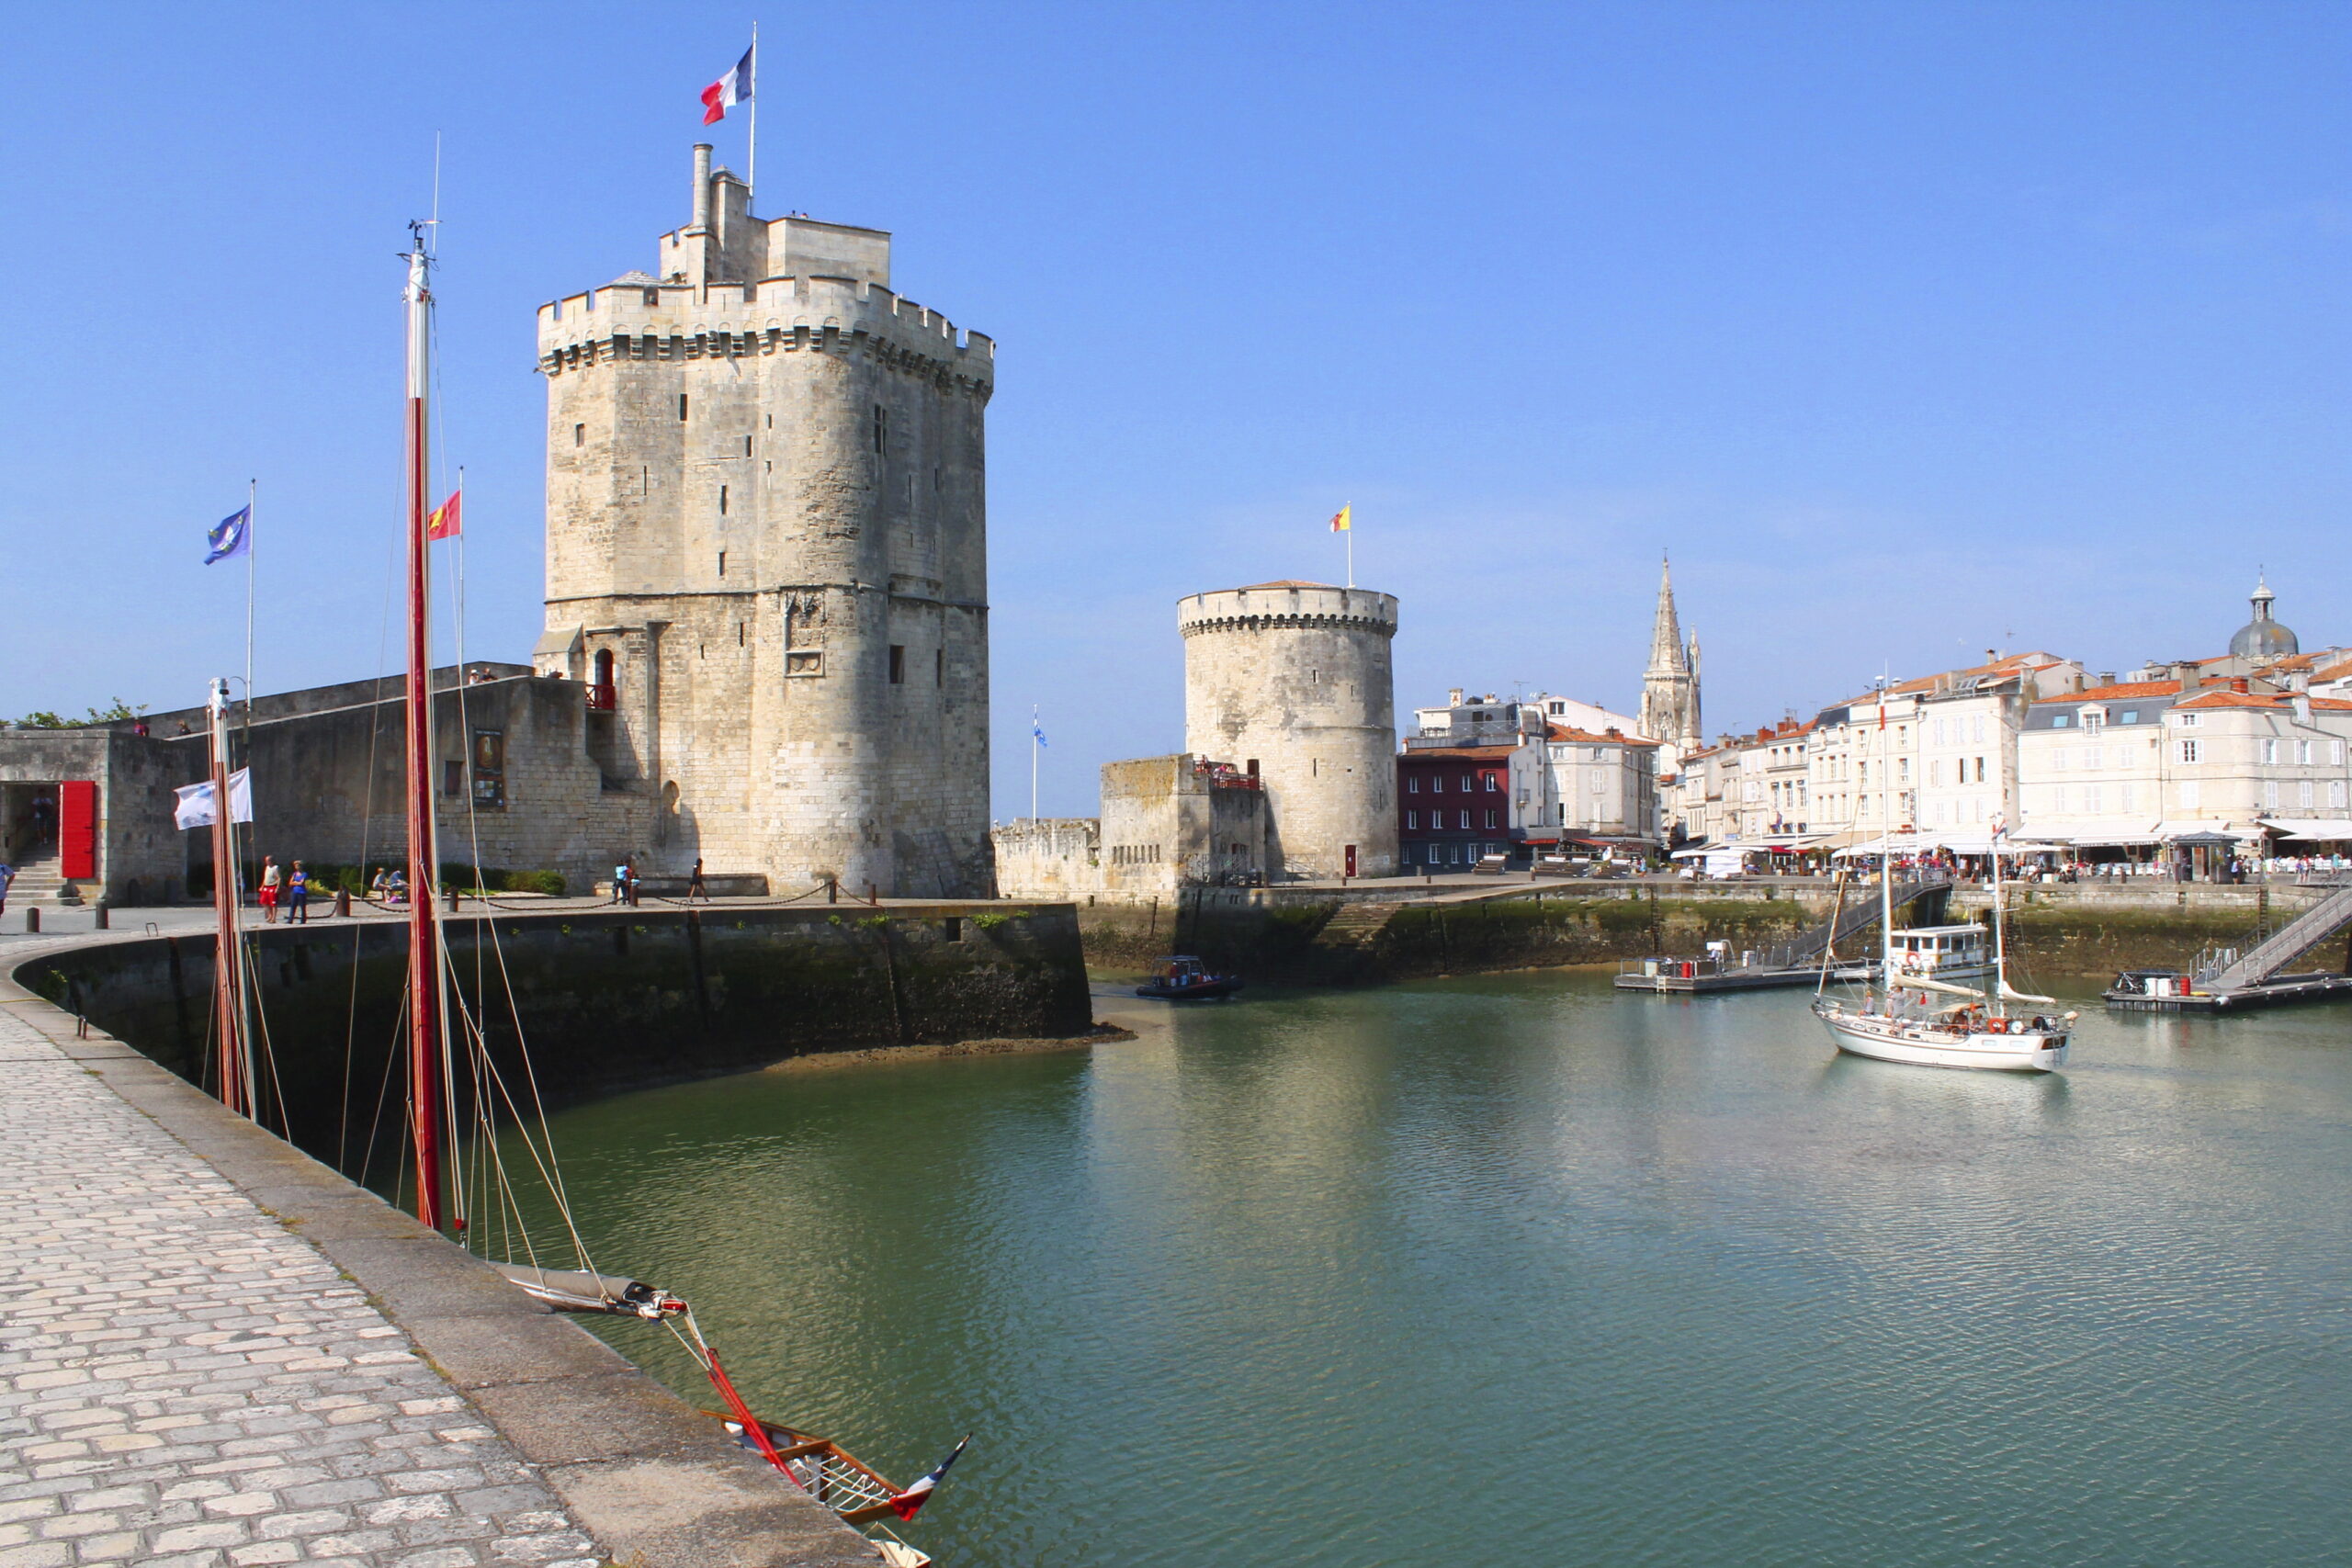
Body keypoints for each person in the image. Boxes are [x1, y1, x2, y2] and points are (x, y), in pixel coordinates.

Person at [258, 855, 281, 924]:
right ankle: (270, 914)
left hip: (273, 886)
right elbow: (265, 878)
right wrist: (262, 886)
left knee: (273, 903)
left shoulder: (276, 868)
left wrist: (278, 887)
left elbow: (279, 878)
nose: (266, 862)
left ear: (271, 861)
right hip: (266, 886)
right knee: (263, 901)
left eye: (267, 860)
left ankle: (273, 918)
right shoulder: (267, 868)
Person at [287, 861, 310, 925]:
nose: (296, 867)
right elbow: (290, 883)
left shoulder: (304, 874)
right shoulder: (294, 874)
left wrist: (295, 882)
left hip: (302, 892)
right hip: (294, 891)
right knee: (293, 906)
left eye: (298, 865)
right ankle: (290, 919)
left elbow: (302, 883)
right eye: (295, 866)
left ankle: (303, 919)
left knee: (302, 906)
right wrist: (297, 883)